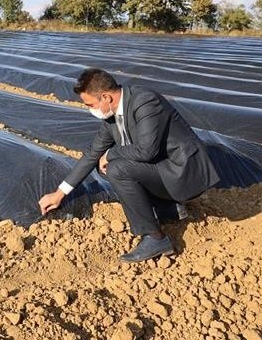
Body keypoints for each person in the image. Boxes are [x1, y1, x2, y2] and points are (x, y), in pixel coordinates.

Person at [37, 68, 220, 262]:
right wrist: (59, 193)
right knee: (107, 166)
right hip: (164, 170)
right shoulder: (112, 117)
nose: (89, 109)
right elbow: (92, 154)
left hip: (184, 172)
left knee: (117, 168)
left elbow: (146, 150)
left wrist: (110, 154)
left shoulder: (144, 101)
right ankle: (169, 208)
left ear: (106, 97)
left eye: (90, 104)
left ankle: (155, 238)